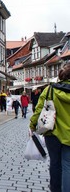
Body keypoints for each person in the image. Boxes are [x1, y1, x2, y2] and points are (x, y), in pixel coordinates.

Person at [30, 63, 70, 192]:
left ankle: (55, 189)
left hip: (51, 133)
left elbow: (39, 109)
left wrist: (32, 124)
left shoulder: (50, 89)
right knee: (67, 165)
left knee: (55, 163)